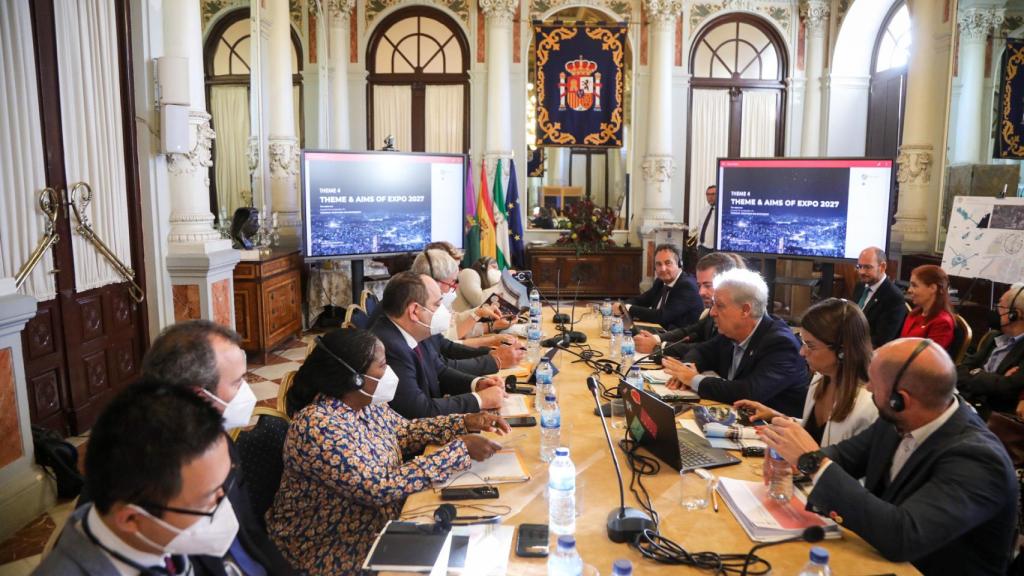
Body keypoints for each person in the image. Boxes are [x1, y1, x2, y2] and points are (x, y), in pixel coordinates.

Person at [759, 338, 1019, 575]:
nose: (869, 388)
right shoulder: (898, 419)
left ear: (900, 399)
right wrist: (795, 459)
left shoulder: (978, 459)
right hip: (879, 560)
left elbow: (903, 535)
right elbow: (845, 456)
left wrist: (812, 461)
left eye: (873, 382)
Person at [267, 328, 507, 575]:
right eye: (382, 366)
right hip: (334, 548)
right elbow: (377, 488)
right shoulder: (318, 426)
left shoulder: (363, 403)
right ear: (355, 378)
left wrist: (466, 422)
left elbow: (405, 431)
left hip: (379, 526)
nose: (389, 373)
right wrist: (459, 451)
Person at [35, 381, 244, 575]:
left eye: (225, 480)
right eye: (208, 498)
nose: (223, 498)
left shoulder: (162, 536)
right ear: (132, 519)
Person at [140, 320, 293, 574]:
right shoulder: (138, 479)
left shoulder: (218, 442)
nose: (248, 390)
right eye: (237, 382)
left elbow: (251, 532)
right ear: (198, 396)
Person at [662, 268, 808, 416]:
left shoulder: (781, 344)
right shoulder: (731, 332)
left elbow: (748, 392)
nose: (712, 312)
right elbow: (702, 351)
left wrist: (693, 379)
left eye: (719, 305)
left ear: (745, 310)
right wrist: (687, 368)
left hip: (771, 431)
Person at [734, 298, 877, 446]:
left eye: (810, 346)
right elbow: (817, 435)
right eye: (803, 343)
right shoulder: (819, 380)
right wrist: (777, 416)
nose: (802, 352)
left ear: (842, 351)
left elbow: (843, 460)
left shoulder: (867, 406)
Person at [371, 271, 506, 418]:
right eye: (437, 304)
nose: (443, 310)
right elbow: (418, 410)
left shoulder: (416, 330)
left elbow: (439, 371)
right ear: (414, 311)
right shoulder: (388, 347)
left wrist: (477, 384)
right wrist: (480, 400)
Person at [411, 248, 524, 374]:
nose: (454, 288)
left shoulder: (431, 306)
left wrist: (481, 314)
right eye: (451, 282)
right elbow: (450, 343)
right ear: (432, 281)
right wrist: (494, 355)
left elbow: (453, 325)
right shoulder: (421, 316)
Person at [633, 251, 744, 357]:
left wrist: (658, 347)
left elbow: (709, 350)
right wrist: (656, 338)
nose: (701, 292)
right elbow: (692, 330)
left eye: (708, 285)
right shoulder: (713, 308)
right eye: (699, 285)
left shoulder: (734, 315)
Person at [957, 282, 1024, 418]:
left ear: (1014, 314)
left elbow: (1008, 388)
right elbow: (960, 370)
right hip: (967, 403)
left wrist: (974, 373)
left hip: (993, 416)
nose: (995, 311)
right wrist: (994, 379)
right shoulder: (994, 337)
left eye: (999, 306)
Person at [612, 243, 703, 330]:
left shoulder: (687, 286)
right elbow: (641, 300)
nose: (663, 269)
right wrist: (622, 305)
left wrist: (627, 308)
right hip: (660, 330)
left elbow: (662, 316)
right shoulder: (660, 281)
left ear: (679, 264)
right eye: (659, 264)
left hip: (680, 339)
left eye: (668, 263)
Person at [851, 247, 907, 348]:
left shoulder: (893, 297)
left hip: (868, 353)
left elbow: (882, 340)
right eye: (859, 266)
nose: (861, 272)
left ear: (882, 267)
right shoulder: (860, 286)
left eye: (867, 267)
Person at [901, 264, 955, 351]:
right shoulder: (914, 313)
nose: (909, 290)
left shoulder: (942, 322)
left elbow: (928, 357)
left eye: (914, 285)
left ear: (933, 288)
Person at [697, 185, 717, 257]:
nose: (710, 197)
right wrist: (698, 244)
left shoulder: (721, 212)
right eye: (708, 194)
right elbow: (700, 228)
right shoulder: (704, 211)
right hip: (702, 248)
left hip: (714, 249)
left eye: (713, 194)